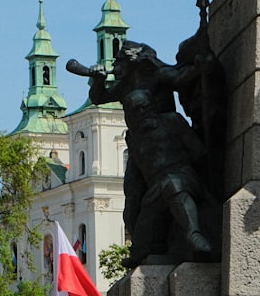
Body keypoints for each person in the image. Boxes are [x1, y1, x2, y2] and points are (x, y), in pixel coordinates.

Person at [76, 41, 218, 267]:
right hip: (140, 147)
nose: (116, 65)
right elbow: (99, 97)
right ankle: (141, 249)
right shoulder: (126, 84)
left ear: (133, 60)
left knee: (170, 187)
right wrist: (98, 80)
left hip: (167, 146)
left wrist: (202, 67)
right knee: (133, 198)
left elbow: (182, 78)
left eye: (120, 60)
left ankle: (191, 234)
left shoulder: (157, 74)